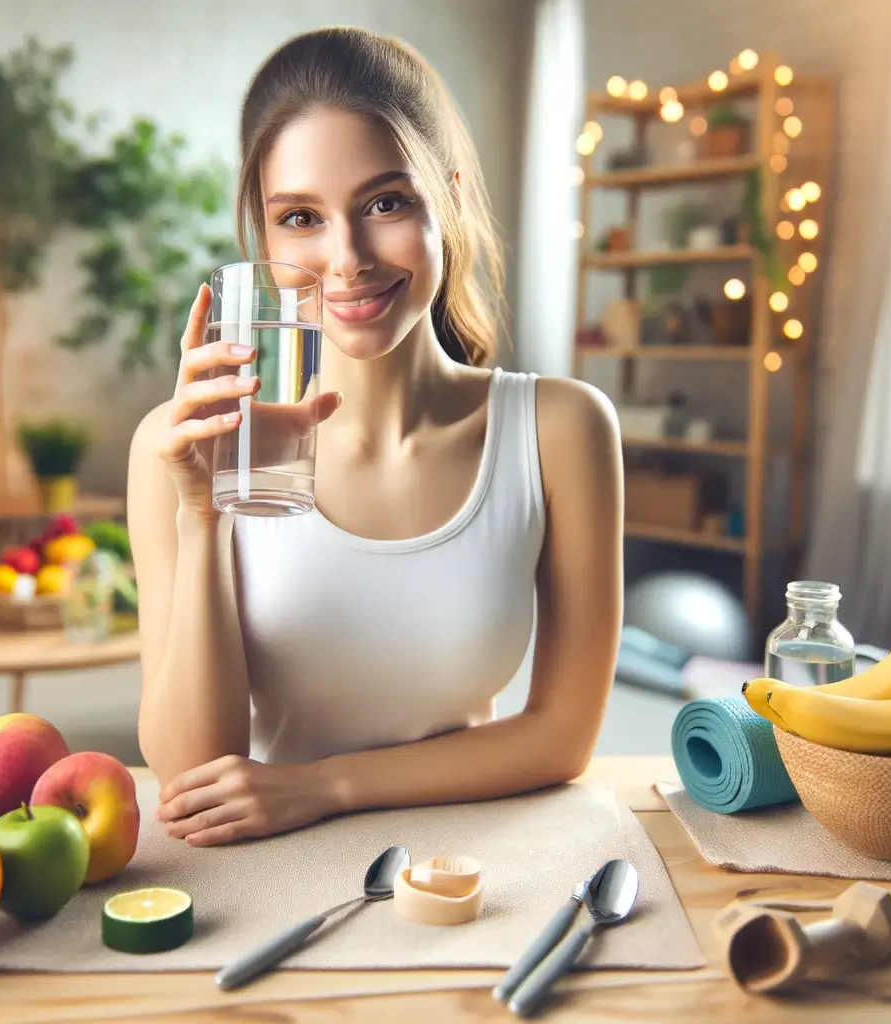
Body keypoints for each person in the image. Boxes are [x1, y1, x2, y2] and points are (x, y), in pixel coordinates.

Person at [127, 26, 624, 848]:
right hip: (265, 870)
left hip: (473, 866)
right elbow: (189, 778)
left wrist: (324, 787)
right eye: (300, 218)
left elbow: (562, 737)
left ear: (450, 196)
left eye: (385, 203)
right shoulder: (178, 445)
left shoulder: (560, 430)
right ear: (263, 235)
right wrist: (203, 511)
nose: (347, 258)